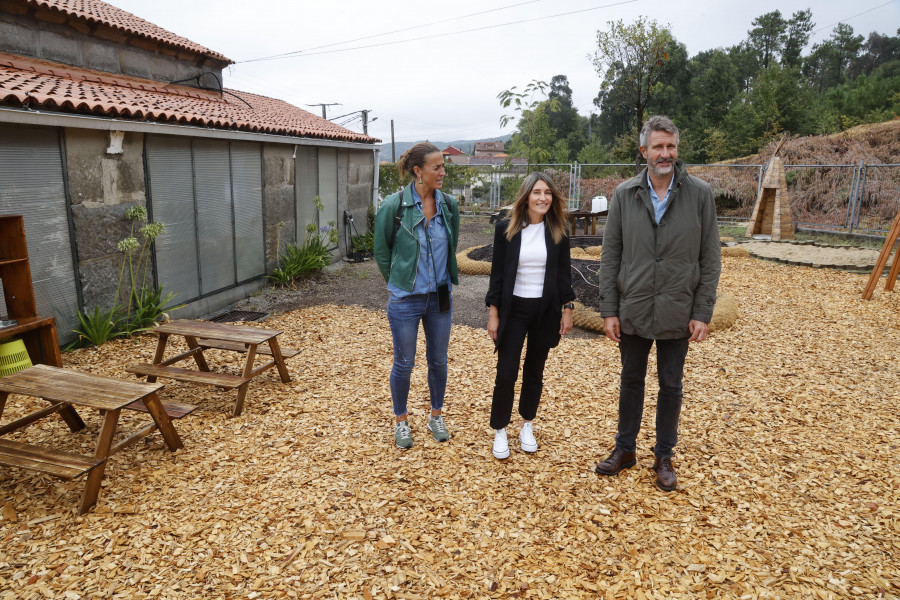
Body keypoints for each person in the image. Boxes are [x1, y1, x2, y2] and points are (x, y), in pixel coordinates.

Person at [594, 115, 721, 491]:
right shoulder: (624, 194)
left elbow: (710, 258)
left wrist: (702, 312)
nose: (665, 154)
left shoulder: (699, 194)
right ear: (644, 151)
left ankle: (664, 455)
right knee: (631, 381)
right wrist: (609, 309)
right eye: (657, 147)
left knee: (671, 383)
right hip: (633, 305)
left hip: (677, 309)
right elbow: (610, 255)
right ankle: (625, 448)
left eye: (671, 147)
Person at [374, 142, 460, 449]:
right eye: (436, 167)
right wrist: (399, 282)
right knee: (404, 363)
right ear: (418, 171)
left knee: (438, 361)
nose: (442, 172)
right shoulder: (393, 206)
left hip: (440, 298)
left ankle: (436, 415)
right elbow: (382, 252)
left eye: (442, 166)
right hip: (405, 301)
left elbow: (452, 245)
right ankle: (401, 421)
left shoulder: (449, 206)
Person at [485, 173, 576, 460]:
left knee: (535, 372)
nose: (543, 198)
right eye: (537, 192)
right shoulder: (506, 231)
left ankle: (527, 424)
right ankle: (500, 429)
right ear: (526, 196)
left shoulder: (558, 231)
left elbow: (563, 275)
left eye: (547, 193)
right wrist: (493, 314)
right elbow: (497, 277)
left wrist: (568, 309)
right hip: (514, 311)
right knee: (506, 372)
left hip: (544, 311)